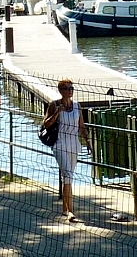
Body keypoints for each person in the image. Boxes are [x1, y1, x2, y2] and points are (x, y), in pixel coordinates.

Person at [42, 78, 92, 222]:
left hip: (74, 144)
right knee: (68, 175)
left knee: (68, 176)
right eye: (67, 89)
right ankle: (70, 211)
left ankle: (65, 208)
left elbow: (81, 125)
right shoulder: (54, 104)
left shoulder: (77, 106)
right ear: (61, 91)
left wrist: (87, 141)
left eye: (72, 88)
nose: (70, 91)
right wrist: (58, 112)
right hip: (60, 144)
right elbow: (46, 124)